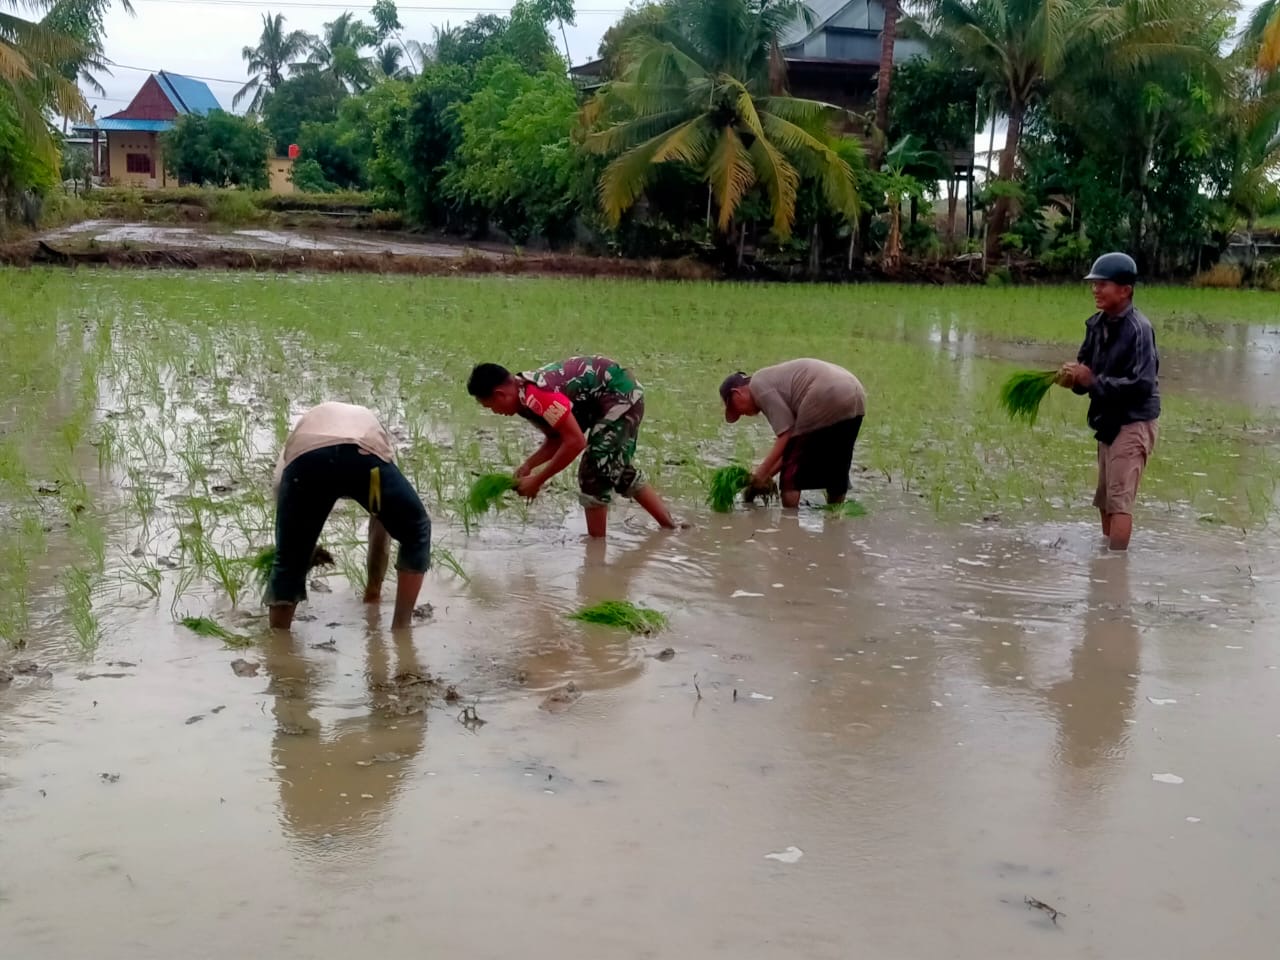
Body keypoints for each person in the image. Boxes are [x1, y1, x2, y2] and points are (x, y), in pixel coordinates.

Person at [466, 356, 676, 539]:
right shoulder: (523, 398)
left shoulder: (537, 396)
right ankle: (670, 527)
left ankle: (596, 551)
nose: (494, 412)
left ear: (500, 394)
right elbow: (557, 438)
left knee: (594, 470)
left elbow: (575, 442)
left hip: (620, 392)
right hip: (600, 400)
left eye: (490, 406)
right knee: (613, 467)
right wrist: (529, 465)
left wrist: (538, 480)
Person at [266, 401, 431, 630]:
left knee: (288, 559)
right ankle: (401, 630)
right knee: (416, 531)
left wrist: (301, 552)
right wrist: (373, 591)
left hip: (308, 460)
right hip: (365, 456)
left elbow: (288, 526)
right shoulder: (377, 435)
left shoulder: (292, 447)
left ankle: (278, 638)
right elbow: (380, 530)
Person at [1055, 252, 1160, 552]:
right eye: (1094, 284)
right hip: (1108, 421)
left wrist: (1092, 381)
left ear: (1125, 290)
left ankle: (1116, 567)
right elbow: (1086, 371)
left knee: (1119, 502)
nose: (1095, 290)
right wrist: (1073, 379)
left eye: (1103, 284)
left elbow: (1142, 385)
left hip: (1133, 421)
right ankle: (1107, 561)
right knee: (1105, 500)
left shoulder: (1138, 329)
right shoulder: (1097, 325)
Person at [719, 358, 867, 508]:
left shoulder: (758, 385)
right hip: (856, 393)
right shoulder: (772, 380)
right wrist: (764, 476)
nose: (742, 414)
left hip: (826, 392)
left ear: (737, 393)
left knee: (791, 477)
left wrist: (761, 473)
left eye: (735, 408)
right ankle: (835, 516)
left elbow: (786, 437)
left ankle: (790, 517)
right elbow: (789, 447)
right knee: (837, 465)